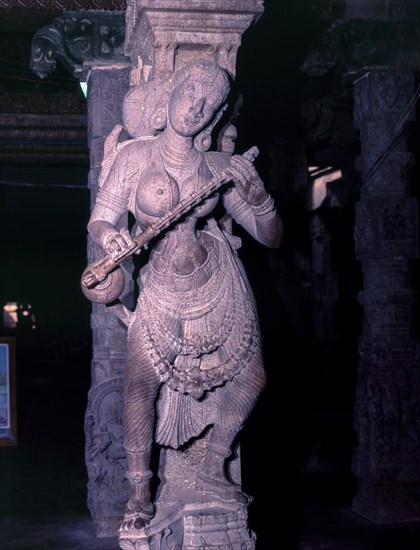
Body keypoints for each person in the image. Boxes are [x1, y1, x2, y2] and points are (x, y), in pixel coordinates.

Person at [85, 59, 283, 545]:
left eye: (207, 103)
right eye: (189, 91)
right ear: (170, 93)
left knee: (253, 377)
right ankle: (139, 496)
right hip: (163, 287)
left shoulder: (217, 167)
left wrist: (259, 198)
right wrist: (110, 238)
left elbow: (270, 237)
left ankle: (215, 465)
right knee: (139, 387)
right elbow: (101, 218)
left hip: (219, 279)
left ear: (214, 115)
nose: (194, 106)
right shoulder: (135, 156)